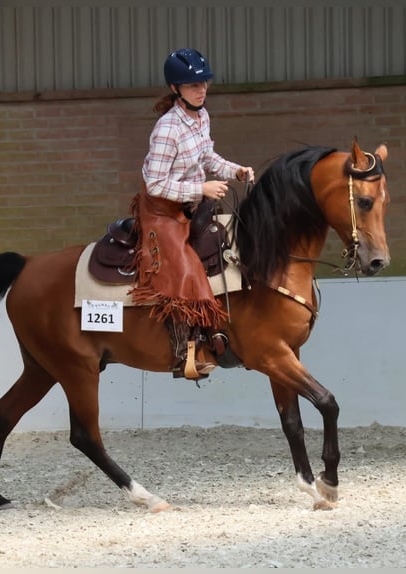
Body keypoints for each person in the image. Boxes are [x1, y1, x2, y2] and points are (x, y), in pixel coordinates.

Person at [129, 48, 255, 380]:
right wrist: (199, 190)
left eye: (204, 83)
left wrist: (234, 171)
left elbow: (208, 158)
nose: (200, 89)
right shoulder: (167, 129)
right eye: (192, 85)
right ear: (175, 89)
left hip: (193, 206)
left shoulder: (202, 116)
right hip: (163, 212)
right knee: (184, 267)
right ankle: (186, 350)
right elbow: (155, 183)